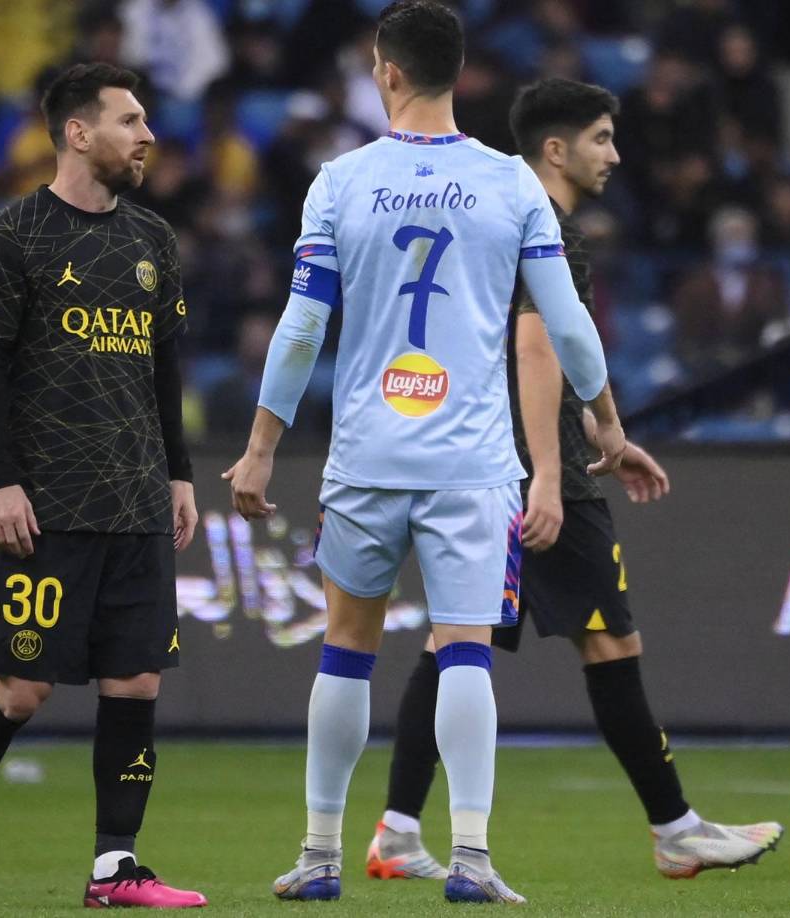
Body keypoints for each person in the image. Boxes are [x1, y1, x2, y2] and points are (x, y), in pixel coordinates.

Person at [223, 3, 626, 905]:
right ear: (459, 71)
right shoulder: (512, 185)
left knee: (345, 652)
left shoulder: (339, 181)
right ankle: (473, 860)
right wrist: (604, 420)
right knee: (465, 653)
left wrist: (259, 449)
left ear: (387, 72)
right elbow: (566, 323)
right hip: (472, 466)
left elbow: (300, 329)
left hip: (367, 458)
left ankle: (321, 855)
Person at [365, 77, 783, 884]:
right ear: (554, 148)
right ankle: (676, 829)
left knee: (457, 637)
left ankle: (396, 829)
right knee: (608, 639)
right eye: (601, 137)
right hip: (533, 473)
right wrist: (550, 479)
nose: (616, 154)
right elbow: (535, 349)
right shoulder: (545, 226)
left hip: (473, 459)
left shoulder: (484, 215)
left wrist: (605, 433)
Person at [0, 63, 206, 910]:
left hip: (139, 501)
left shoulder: (153, 240)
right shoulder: (14, 238)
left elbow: (164, 366)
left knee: (137, 682)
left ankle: (116, 867)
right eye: (130, 121)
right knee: (22, 689)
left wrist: (179, 474)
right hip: (48, 504)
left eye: (146, 120)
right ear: (79, 133)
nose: (148, 135)